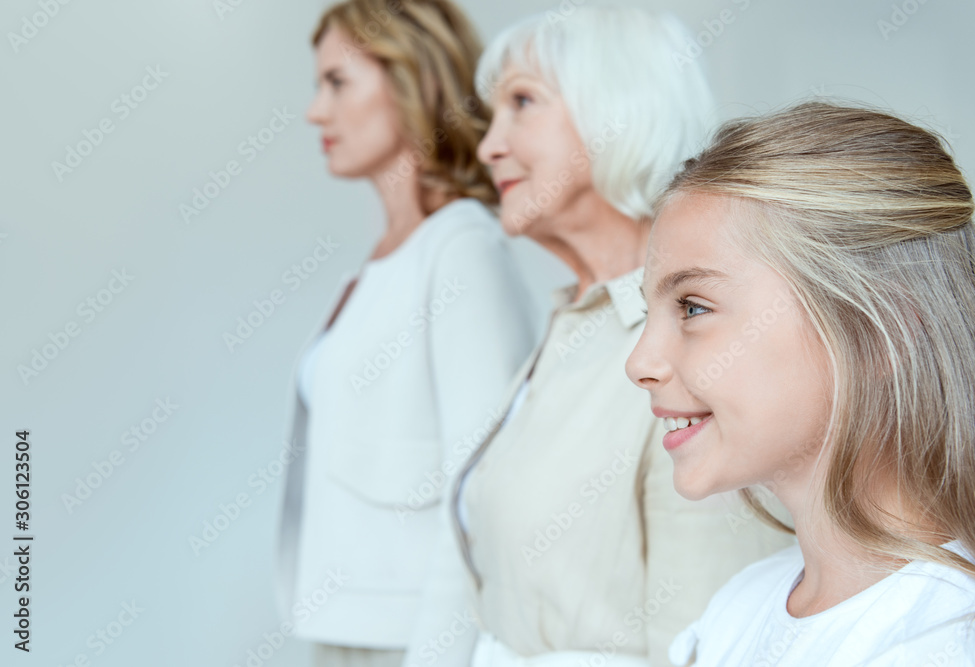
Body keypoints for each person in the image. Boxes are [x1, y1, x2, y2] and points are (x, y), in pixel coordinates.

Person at [448, 8, 794, 666]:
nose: (488, 145)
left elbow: (706, 642)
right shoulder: (574, 324)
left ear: (619, 111)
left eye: (523, 102)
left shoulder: (698, 347)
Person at [626, 102, 975, 666]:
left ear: (881, 332)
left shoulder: (960, 642)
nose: (639, 362)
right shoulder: (737, 610)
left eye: (694, 307)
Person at [275, 2, 537, 666]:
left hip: (410, 644)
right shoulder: (388, 260)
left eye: (337, 82)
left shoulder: (461, 249)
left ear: (410, 80)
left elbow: (483, 489)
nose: (315, 111)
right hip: (346, 632)